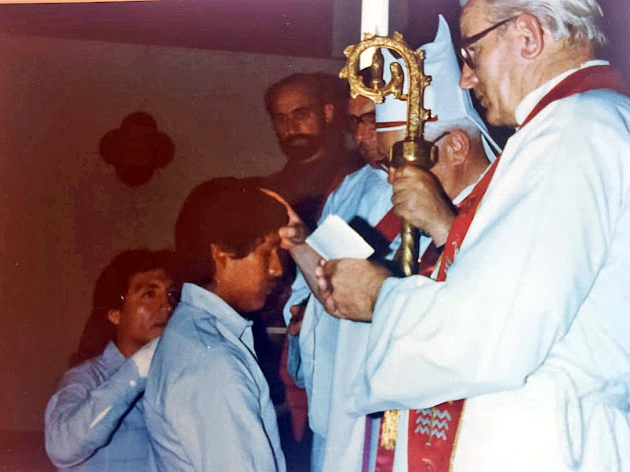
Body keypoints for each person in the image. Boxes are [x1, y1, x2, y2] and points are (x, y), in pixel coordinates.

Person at [317, 0, 630, 470]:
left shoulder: (572, 132)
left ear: (528, 35)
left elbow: (490, 332)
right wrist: (447, 229)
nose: (467, 78)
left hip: (549, 439)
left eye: (472, 52)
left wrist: (379, 297)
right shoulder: (593, 122)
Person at [282, 17, 498, 471]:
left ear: (456, 145)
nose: (393, 177)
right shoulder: (374, 190)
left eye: (405, 160)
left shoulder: (502, 206)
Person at [144, 178, 289, 471]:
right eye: (267, 252)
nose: (278, 267)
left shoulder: (194, 334)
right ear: (221, 254)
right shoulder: (212, 360)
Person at [45, 249, 176, 471]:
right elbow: (60, 447)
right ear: (115, 313)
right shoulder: (85, 378)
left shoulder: (172, 379)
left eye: (171, 295)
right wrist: (138, 369)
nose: (167, 306)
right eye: (149, 294)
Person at [260, 72, 362, 228]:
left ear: (327, 113)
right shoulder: (272, 188)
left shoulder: (355, 175)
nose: (291, 127)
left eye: (301, 115)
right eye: (281, 119)